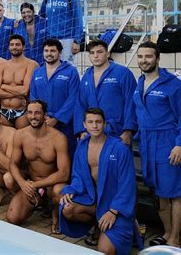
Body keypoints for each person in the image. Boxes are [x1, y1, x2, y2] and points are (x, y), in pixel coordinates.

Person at [133, 41, 181, 248]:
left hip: (168, 142)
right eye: (141, 56)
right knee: (158, 192)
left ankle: (175, 239)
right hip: (147, 143)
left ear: (157, 58)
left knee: (174, 192)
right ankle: (167, 232)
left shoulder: (173, 85)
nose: (144, 60)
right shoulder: (139, 83)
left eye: (148, 56)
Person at [60, 108, 137, 255]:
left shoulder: (119, 148)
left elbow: (128, 185)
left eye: (98, 122)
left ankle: (127, 225)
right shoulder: (82, 146)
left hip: (115, 205)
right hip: (93, 200)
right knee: (67, 208)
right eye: (90, 122)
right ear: (84, 124)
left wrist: (113, 212)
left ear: (104, 124)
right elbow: (77, 175)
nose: (94, 126)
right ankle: (98, 224)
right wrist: (71, 189)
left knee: (105, 250)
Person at [6, 100, 70, 233]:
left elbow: (64, 173)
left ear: (45, 115)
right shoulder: (20, 135)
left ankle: (54, 212)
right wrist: (23, 183)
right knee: (13, 217)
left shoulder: (58, 138)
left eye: (37, 113)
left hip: (52, 185)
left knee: (59, 190)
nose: (33, 116)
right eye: (30, 112)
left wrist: (35, 185)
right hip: (33, 185)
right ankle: (40, 203)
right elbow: (13, 164)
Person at [74, 40, 137, 144]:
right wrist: (81, 130)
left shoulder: (123, 73)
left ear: (107, 53)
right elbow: (80, 104)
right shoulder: (86, 76)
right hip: (92, 131)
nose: (95, 56)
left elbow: (131, 103)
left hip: (117, 132)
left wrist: (128, 131)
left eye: (99, 52)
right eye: (92, 53)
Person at [30, 39, 80, 158]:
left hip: (64, 124)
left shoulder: (71, 72)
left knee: (67, 155)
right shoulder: (37, 72)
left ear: (60, 52)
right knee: (45, 156)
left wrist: (57, 118)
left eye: (52, 50)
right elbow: (33, 97)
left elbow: (74, 98)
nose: (49, 53)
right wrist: (42, 116)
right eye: (46, 51)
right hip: (43, 122)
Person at [0, 34, 37, 128]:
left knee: (21, 139)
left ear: (23, 47)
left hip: (22, 112)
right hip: (3, 111)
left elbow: (25, 91)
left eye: (17, 44)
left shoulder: (31, 65)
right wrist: (18, 93)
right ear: (8, 47)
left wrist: (4, 86)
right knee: (6, 140)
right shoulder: (2, 66)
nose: (14, 47)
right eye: (12, 44)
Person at [38, 0, 83, 64]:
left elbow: (78, 19)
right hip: (51, 40)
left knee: (67, 68)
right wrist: (21, 20)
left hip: (67, 40)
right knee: (52, 67)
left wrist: (76, 41)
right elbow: (39, 17)